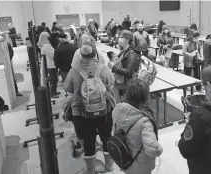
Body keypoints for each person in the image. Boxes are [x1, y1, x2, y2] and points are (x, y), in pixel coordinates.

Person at [63, 40, 116, 174]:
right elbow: (111, 84)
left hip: (82, 113)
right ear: (95, 54)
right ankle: (109, 165)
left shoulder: (74, 70)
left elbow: (67, 87)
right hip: (104, 110)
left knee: (88, 140)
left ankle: (91, 169)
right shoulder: (102, 68)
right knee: (106, 136)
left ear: (81, 55)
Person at [112, 78, 163, 174]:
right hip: (140, 165)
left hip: (125, 159)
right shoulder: (144, 121)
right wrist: (159, 149)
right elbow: (152, 150)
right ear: (144, 96)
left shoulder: (117, 110)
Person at [109, 30, 140, 99]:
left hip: (129, 85)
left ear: (128, 39)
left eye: (121, 37)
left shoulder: (132, 53)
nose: (119, 39)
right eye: (119, 37)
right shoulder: (124, 51)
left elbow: (128, 72)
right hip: (123, 82)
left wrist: (114, 67)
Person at [38, 32, 61, 98]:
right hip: (51, 65)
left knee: (54, 78)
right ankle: (52, 93)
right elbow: (53, 55)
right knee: (53, 79)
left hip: (50, 64)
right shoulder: (46, 45)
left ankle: (54, 91)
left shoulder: (44, 44)